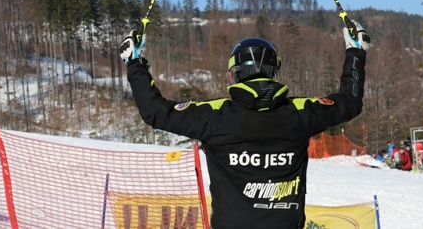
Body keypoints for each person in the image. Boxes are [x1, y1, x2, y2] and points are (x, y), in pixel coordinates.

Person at [119, 21, 370, 229]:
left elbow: (155, 112)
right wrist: (355, 51)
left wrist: (135, 62)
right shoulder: (298, 113)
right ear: (273, 71)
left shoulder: (215, 117)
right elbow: (349, 102)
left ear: (233, 74)